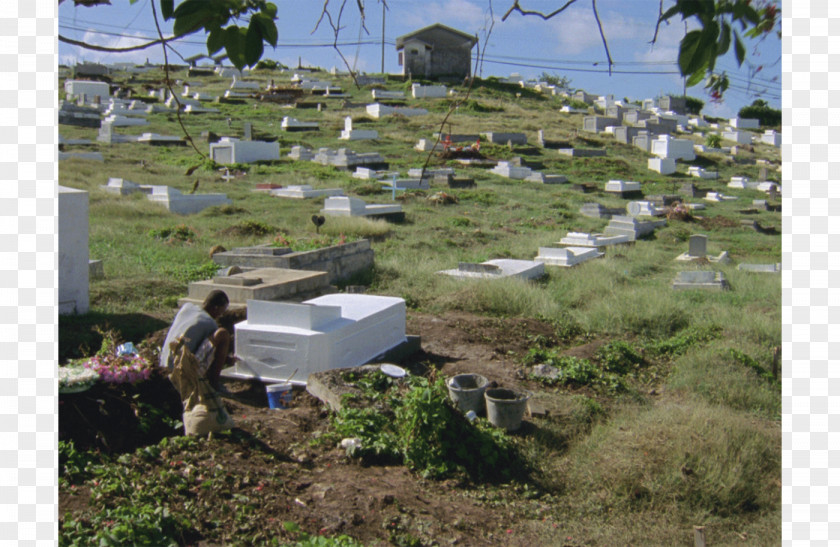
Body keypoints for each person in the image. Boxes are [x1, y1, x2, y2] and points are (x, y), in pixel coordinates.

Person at [159, 290, 233, 392]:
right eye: (221, 312)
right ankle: (213, 384)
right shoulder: (210, 323)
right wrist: (229, 360)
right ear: (215, 308)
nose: (220, 316)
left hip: (163, 366)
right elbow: (212, 354)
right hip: (179, 373)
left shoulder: (187, 307)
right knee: (222, 334)